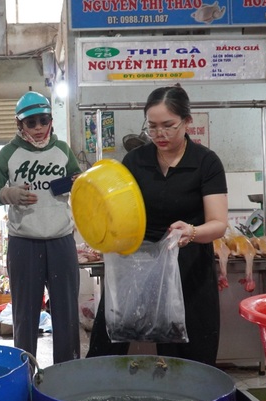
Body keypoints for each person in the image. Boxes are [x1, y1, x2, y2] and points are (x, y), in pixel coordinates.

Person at [86, 84, 228, 366]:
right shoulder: (136, 161)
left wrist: (192, 231)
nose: (159, 134)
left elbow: (218, 224)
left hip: (188, 264)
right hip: (137, 263)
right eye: (152, 127)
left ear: (187, 121)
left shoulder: (206, 163)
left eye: (168, 126)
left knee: (190, 353)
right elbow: (118, 210)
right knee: (109, 339)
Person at [0, 91, 81, 364]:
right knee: (25, 314)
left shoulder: (62, 150)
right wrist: (8, 194)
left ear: (51, 120)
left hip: (61, 240)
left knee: (66, 312)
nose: (38, 128)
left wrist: (74, 182)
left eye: (43, 120)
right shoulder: (8, 153)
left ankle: (67, 371)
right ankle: (25, 371)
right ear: (20, 124)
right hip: (24, 243)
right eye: (31, 123)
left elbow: (76, 180)